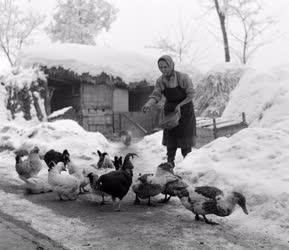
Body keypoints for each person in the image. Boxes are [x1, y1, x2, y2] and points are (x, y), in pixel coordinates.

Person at [142, 55, 196, 167]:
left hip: (185, 110)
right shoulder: (160, 81)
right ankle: (170, 163)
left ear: (171, 65)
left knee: (185, 140)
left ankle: (188, 166)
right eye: (161, 67)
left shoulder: (183, 78)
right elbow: (156, 95)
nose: (163, 70)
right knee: (171, 138)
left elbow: (191, 94)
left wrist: (180, 105)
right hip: (170, 111)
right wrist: (148, 104)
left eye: (165, 67)